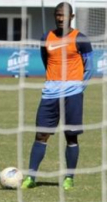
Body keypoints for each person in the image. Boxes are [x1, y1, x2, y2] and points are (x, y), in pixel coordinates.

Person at [21, 2, 93, 190]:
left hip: (73, 95)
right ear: (55, 16)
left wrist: (78, 88)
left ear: (72, 17)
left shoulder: (81, 39)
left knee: (71, 136)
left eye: (65, 15)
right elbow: (47, 61)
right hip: (50, 94)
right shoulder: (47, 37)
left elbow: (89, 67)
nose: (61, 18)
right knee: (41, 134)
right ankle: (31, 177)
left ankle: (69, 177)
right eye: (58, 15)